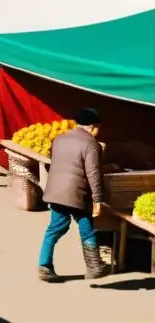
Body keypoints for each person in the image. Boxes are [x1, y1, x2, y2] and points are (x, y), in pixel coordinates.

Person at [38, 108, 109, 281]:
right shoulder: (91, 144)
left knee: (54, 229)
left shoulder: (60, 139)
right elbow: (93, 173)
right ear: (92, 126)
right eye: (98, 127)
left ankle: (44, 266)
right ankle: (94, 266)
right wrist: (97, 199)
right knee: (88, 229)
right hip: (77, 194)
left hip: (56, 192)